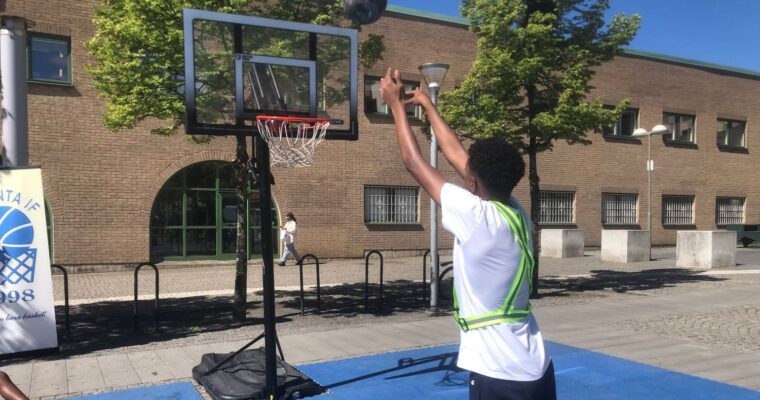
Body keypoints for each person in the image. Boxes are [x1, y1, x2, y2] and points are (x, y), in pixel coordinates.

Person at [380, 68, 555, 400]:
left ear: (472, 184)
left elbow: (413, 162)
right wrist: (429, 107)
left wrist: (395, 106)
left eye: (468, 177)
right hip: (535, 365)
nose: (464, 175)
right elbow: (460, 156)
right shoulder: (514, 209)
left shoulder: (477, 216)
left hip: (499, 373)